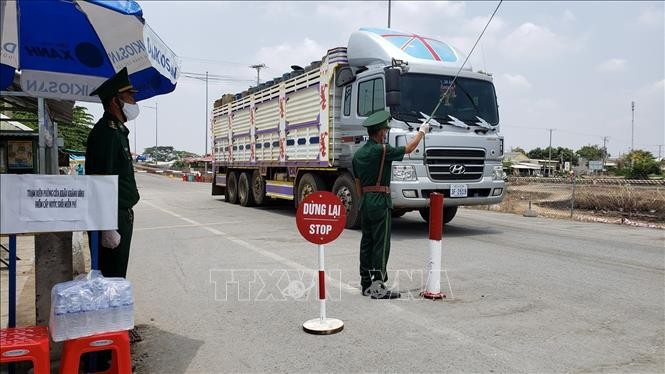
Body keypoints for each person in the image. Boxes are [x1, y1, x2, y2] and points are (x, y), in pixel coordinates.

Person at [84, 67, 140, 372]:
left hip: (120, 214)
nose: (134, 100)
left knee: (116, 279)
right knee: (110, 279)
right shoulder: (106, 132)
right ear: (115, 101)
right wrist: (107, 225)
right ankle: (104, 350)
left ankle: (112, 338)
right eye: (129, 95)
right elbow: (101, 181)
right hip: (112, 217)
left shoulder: (118, 131)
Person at [352, 110, 429, 299]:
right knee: (381, 244)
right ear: (379, 132)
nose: (386, 133)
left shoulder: (358, 154)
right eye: (385, 130)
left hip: (366, 201)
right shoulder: (382, 150)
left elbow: (358, 184)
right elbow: (409, 149)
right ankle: (378, 286)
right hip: (380, 201)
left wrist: (364, 200)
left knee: (367, 243)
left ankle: (365, 283)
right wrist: (422, 132)